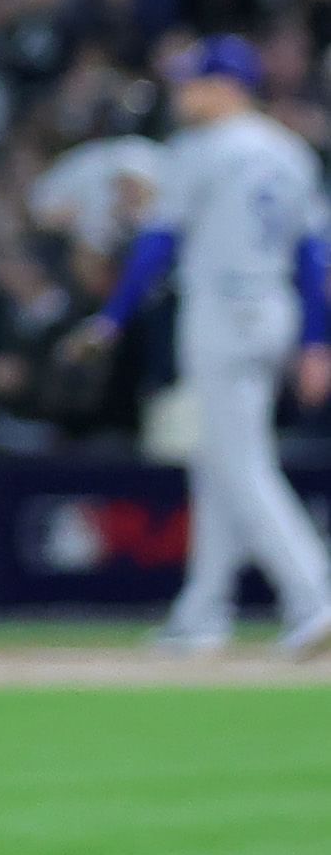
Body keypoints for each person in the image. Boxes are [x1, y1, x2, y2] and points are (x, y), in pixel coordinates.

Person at [85, 37, 331, 659]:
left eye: (195, 82)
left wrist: (113, 316)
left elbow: (156, 244)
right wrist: (315, 340)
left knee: (241, 463)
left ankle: (313, 595)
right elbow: (312, 258)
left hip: (220, 310)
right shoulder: (290, 151)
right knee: (218, 459)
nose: (184, 93)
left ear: (226, 86)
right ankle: (203, 611)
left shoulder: (199, 150)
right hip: (274, 308)